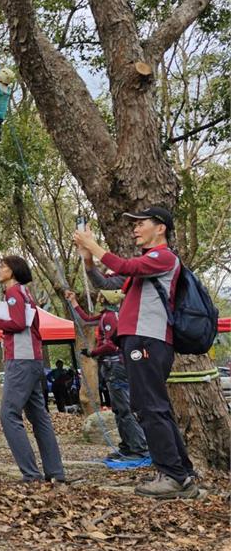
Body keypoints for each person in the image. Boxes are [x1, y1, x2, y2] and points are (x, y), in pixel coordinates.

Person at [73, 205, 199, 500]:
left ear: (161, 228)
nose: (135, 228)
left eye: (142, 223)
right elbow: (107, 283)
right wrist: (89, 260)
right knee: (155, 406)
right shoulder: (146, 264)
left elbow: (126, 267)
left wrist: (94, 244)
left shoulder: (163, 257)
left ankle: (172, 476)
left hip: (148, 340)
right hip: (140, 341)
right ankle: (182, 472)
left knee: (148, 407)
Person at [0, 255, 66, 483]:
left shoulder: (13, 293)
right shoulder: (25, 293)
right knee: (38, 415)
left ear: (14, 270)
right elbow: (27, 323)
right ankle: (55, 472)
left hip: (20, 359)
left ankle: (30, 474)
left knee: (8, 414)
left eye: (2, 267)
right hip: (33, 357)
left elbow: (18, 324)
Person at [66, 288, 148, 462]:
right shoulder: (106, 315)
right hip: (112, 367)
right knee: (118, 409)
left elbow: (111, 345)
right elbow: (86, 321)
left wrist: (92, 352)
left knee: (125, 409)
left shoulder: (111, 317)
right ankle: (127, 446)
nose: (98, 297)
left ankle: (139, 447)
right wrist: (74, 302)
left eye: (101, 295)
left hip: (116, 366)